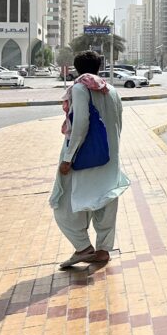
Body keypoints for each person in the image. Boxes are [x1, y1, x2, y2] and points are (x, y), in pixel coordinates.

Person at [49, 50, 129, 268]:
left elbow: (81, 125)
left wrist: (68, 158)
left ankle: (83, 247)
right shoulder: (111, 90)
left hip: (82, 159)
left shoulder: (79, 88)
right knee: (106, 202)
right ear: (99, 67)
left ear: (76, 68)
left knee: (63, 205)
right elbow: (118, 125)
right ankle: (103, 250)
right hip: (109, 159)